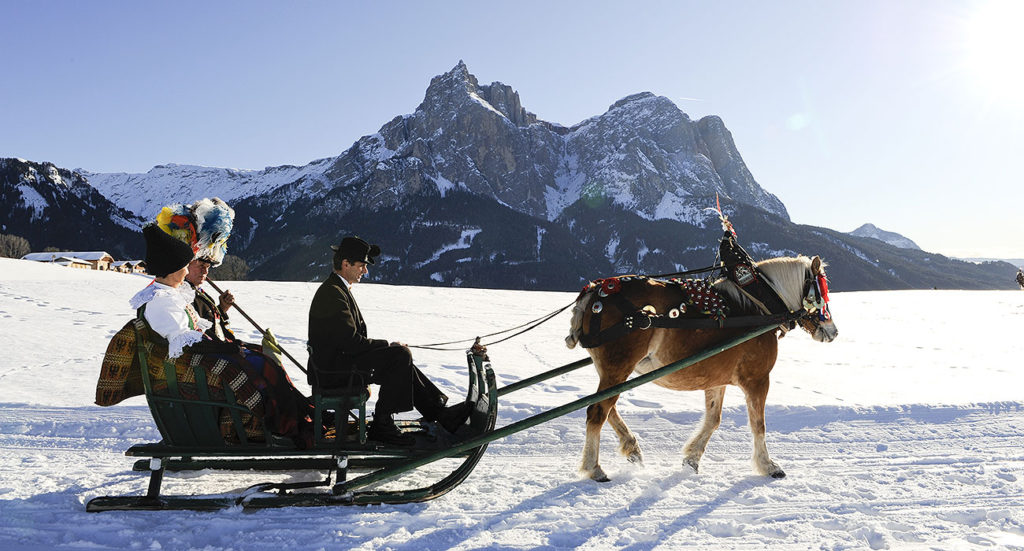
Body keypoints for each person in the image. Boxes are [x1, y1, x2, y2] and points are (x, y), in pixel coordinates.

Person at [132, 225, 311, 447]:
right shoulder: (162, 301)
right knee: (259, 366)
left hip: (194, 362)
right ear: (172, 268)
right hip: (188, 370)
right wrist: (227, 349)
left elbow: (196, 332)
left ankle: (292, 419)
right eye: (184, 266)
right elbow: (185, 343)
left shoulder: (172, 296)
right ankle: (280, 426)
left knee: (262, 361)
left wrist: (227, 339)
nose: (187, 271)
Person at [307, 236, 470, 445]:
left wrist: (386, 349)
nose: (365, 271)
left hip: (338, 364)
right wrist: (386, 345)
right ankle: (383, 425)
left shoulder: (336, 289)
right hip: (335, 371)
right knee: (399, 356)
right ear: (345, 264)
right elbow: (350, 343)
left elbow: (349, 342)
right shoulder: (333, 294)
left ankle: (439, 413)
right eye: (361, 265)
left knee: (400, 359)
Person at [185, 257, 237, 342]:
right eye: (201, 266)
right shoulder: (183, 295)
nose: (205, 272)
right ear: (186, 266)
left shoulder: (200, 293)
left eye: (207, 267)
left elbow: (212, 325)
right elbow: (200, 331)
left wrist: (222, 309)